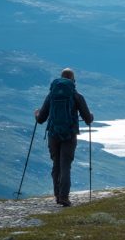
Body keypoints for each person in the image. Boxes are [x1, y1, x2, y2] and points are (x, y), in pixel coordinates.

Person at [34, 68, 93, 207]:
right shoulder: (76, 96)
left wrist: (36, 114)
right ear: (73, 81)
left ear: (60, 78)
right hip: (69, 135)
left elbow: (41, 119)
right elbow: (88, 119)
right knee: (65, 166)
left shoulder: (51, 95)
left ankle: (57, 195)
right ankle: (64, 197)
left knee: (56, 165)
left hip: (53, 135)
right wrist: (91, 116)